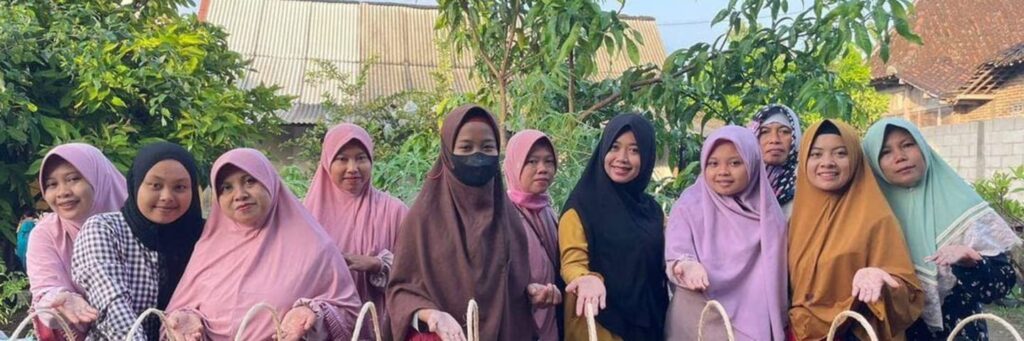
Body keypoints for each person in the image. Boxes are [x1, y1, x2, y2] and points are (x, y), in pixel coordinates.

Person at [164, 148, 361, 340]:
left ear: (270, 183)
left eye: (250, 181)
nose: (239, 194)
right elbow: (181, 312)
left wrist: (313, 313)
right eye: (227, 187)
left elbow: (351, 314)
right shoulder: (208, 249)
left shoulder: (314, 248)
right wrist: (187, 318)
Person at [386, 105, 538, 341]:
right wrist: (433, 316)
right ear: (448, 152)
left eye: (487, 147)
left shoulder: (508, 220)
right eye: (466, 147)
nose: (477, 156)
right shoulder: (423, 220)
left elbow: (517, 297)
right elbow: (401, 291)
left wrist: (536, 293)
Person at [864, 118, 1021, 340]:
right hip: (898, 333)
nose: (900, 157)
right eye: (886, 152)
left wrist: (971, 261)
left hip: (961, 331)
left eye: (908, 144)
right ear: (873, 161)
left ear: (923, 147)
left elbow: (999, 287)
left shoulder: (963, 204)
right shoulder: (868, 215)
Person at [788, 120, 923, 340]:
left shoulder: (876, 218)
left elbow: (908, 294)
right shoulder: (794, 221)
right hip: (798, 332)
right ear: (803, 160)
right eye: (816, 154)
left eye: (841, 154)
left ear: (856, 158)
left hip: (855, 334)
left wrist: (881, 278)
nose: (827, 163)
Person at [70, 142, 205, 340]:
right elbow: (112, 304)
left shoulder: (204, 237)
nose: (167, 196)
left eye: (180, 187)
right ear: (136, 184)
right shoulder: (105, 229)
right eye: (155, 185)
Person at [664, 126, 788, 340]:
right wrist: (687, 265)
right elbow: (676, 252)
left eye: (735, 163)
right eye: (713, 163)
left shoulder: (768, 214)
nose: (723, 171)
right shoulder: (690, 204)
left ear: (752, 163)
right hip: (697, 317)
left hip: (752, 322)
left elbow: (778, 276)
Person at [559, 113, 668, 340]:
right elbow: (572, 262)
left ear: (647, 156)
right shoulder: (580, 208)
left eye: (634, 150)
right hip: (599, 325)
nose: (622, 158)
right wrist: (586, 278)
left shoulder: (652, 211)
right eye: (615, 147)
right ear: (603, 149)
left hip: (649, 326)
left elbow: (669, 258)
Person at [304, 123, 409, 339]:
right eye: (342, 159)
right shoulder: (306, 216)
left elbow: (416, 271)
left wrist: (378, 265)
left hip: (380, 327)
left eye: (361, 158)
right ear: (327, 163)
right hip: (323, 330)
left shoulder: (394, 210)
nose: (352, 168)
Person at [27, 143, 128, 340]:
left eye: (73, 179)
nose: (62, 192)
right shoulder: (45, 234)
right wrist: (60, 301)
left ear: (99, 178)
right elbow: (45, 288)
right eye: (51, 184)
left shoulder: (140, 226)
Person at [503, 129, 563, 341]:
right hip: (517, 322)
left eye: (548, 161)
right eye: (532, 162)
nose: (542, 169)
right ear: (514, 164)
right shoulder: (501, 214)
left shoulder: (548, 212)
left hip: (551, 320)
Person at [748, 104, 802, 218]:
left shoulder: (804, 183)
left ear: (795, 137)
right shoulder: (742, 180)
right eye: (765, 132)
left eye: (784, 131)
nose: (774, 140)